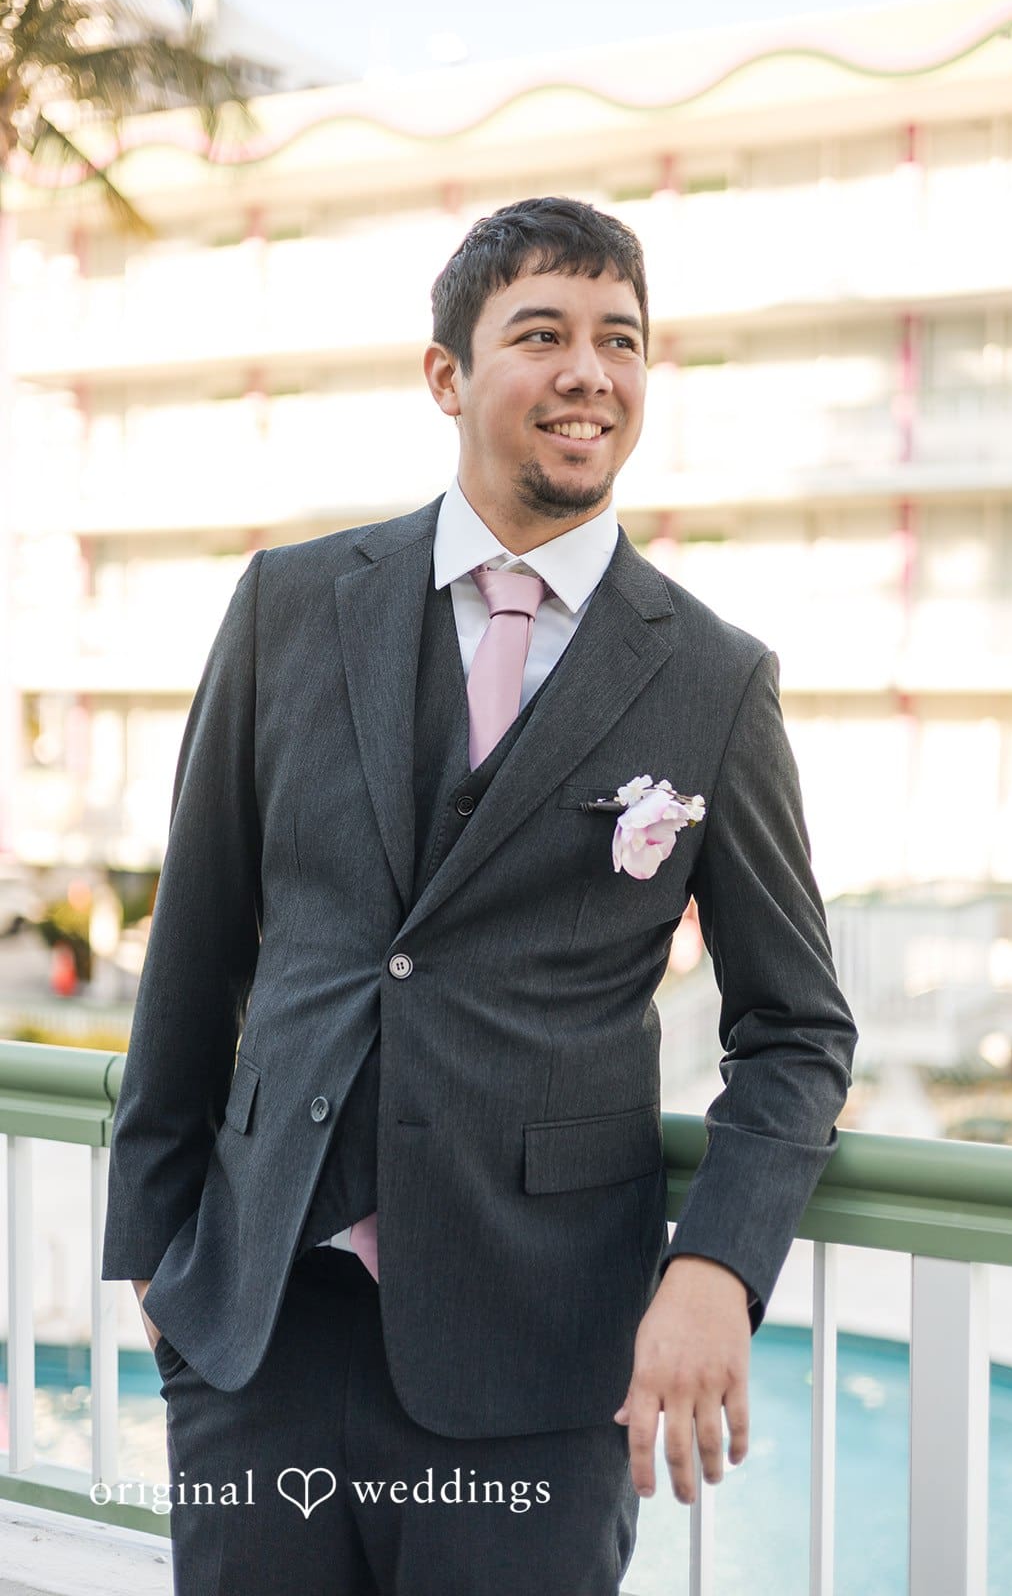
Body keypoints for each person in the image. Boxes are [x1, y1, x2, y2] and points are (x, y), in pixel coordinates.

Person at [102, 196, 856, 1596]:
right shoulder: (286, 604)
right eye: (543, 333)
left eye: (621, 340)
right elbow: (196, 945)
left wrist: (718, 1273)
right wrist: (156, 1266)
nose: (592, 371)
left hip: (540, 1354)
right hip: (263, 1331)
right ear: (447, 375)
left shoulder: (711, 677)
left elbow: (798, 1029)